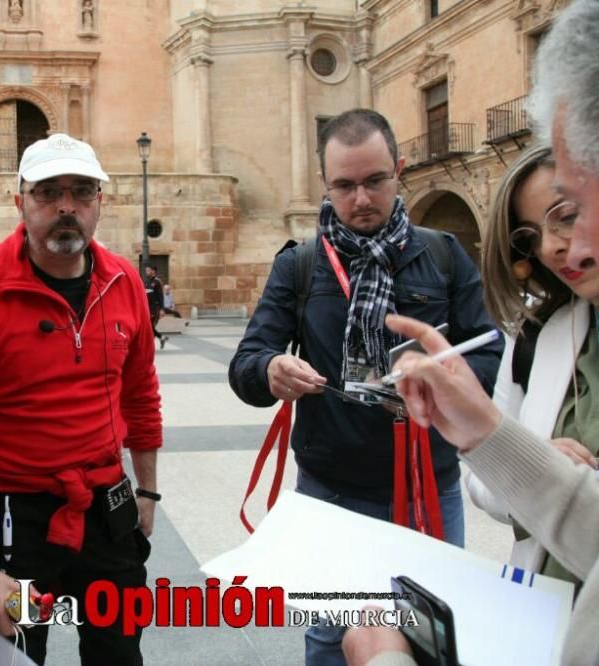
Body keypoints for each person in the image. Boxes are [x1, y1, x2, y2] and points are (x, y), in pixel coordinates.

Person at [344, 2, 599, 663]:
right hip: (532, 597)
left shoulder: (444, 256)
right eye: (534, 232)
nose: (562, 247)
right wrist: (489, 433)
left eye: (575, 207)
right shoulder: (549, 332)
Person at [229, 108, 502, 666]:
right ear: (325, 185)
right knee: (333, 643)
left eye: (375, 180)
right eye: (345, 185)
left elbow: (489, 352)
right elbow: (248, 363)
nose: (361, 199)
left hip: (431, 487)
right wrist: (272, 370)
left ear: (398, 171)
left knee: (431, 639)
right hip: (332, 494)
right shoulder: (300, 266)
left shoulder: (445, 257)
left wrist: (446, 386)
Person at [0, 133, 162, 665]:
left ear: (101, 201)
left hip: (105, 511)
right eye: (47, 193)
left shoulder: (123, 283)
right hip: (13, 523)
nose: (65, 208)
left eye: (81, 192)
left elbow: (142, 393)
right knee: (11, 658)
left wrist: (147, 492)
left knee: (119, 655)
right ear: (19, 202)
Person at [466, 143, 599, 588]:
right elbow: (480, 482)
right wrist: (536, 465)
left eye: (564, 214)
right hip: (546, 612)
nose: (553, 247)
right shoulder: (537, 335)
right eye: (529, 236)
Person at [144, 263, 167, 349]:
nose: (146, 272)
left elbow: (161, 296)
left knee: (149, 327)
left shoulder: (157, 282)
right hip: (147, 308)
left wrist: (162, 309)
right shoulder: (146, 281)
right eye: (146, 270)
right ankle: (162, 338)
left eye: (148, 270)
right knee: (148, 327)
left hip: (155, 308)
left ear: (153, 271)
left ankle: (149, 346)